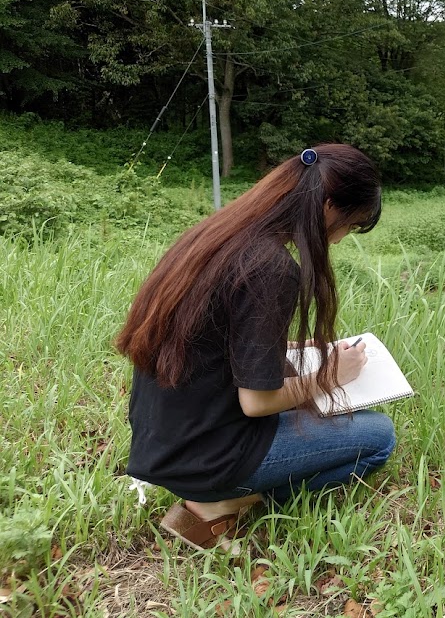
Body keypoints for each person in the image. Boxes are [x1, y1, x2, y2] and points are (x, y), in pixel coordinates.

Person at [116, 144, 397, 549]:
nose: (339, 240)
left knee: (338, 419)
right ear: (330, 206)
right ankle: (218, 502)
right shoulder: (270, 267)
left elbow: (214, 336)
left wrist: (282, 344)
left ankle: (209, 493)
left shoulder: (219, 236)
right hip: (208, 453)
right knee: (379, 436)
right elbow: (256, 403)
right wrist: (329, 376)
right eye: (350, 226)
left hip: (163, 438)